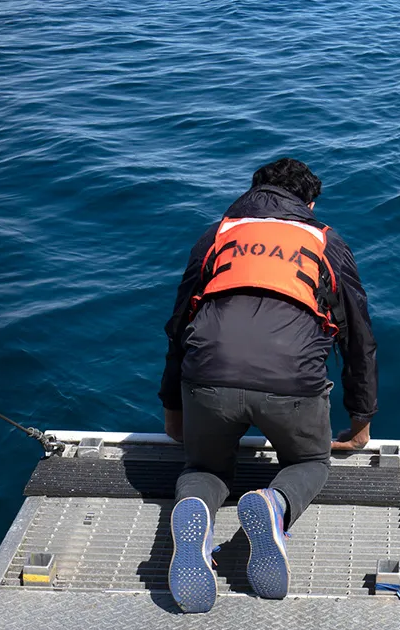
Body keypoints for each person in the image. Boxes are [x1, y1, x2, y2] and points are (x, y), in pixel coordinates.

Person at [159, 158, 378, 613]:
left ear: (253, 192)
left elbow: (179, 324)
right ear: (309, 204)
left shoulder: (216, 235)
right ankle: (275, 503)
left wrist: (173, 409)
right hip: (292, 382)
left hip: (208, 377)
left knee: (204, 468)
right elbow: (358, 338)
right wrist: (361, 421)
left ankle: (196, 505)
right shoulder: (326, 242)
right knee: (310, 461)